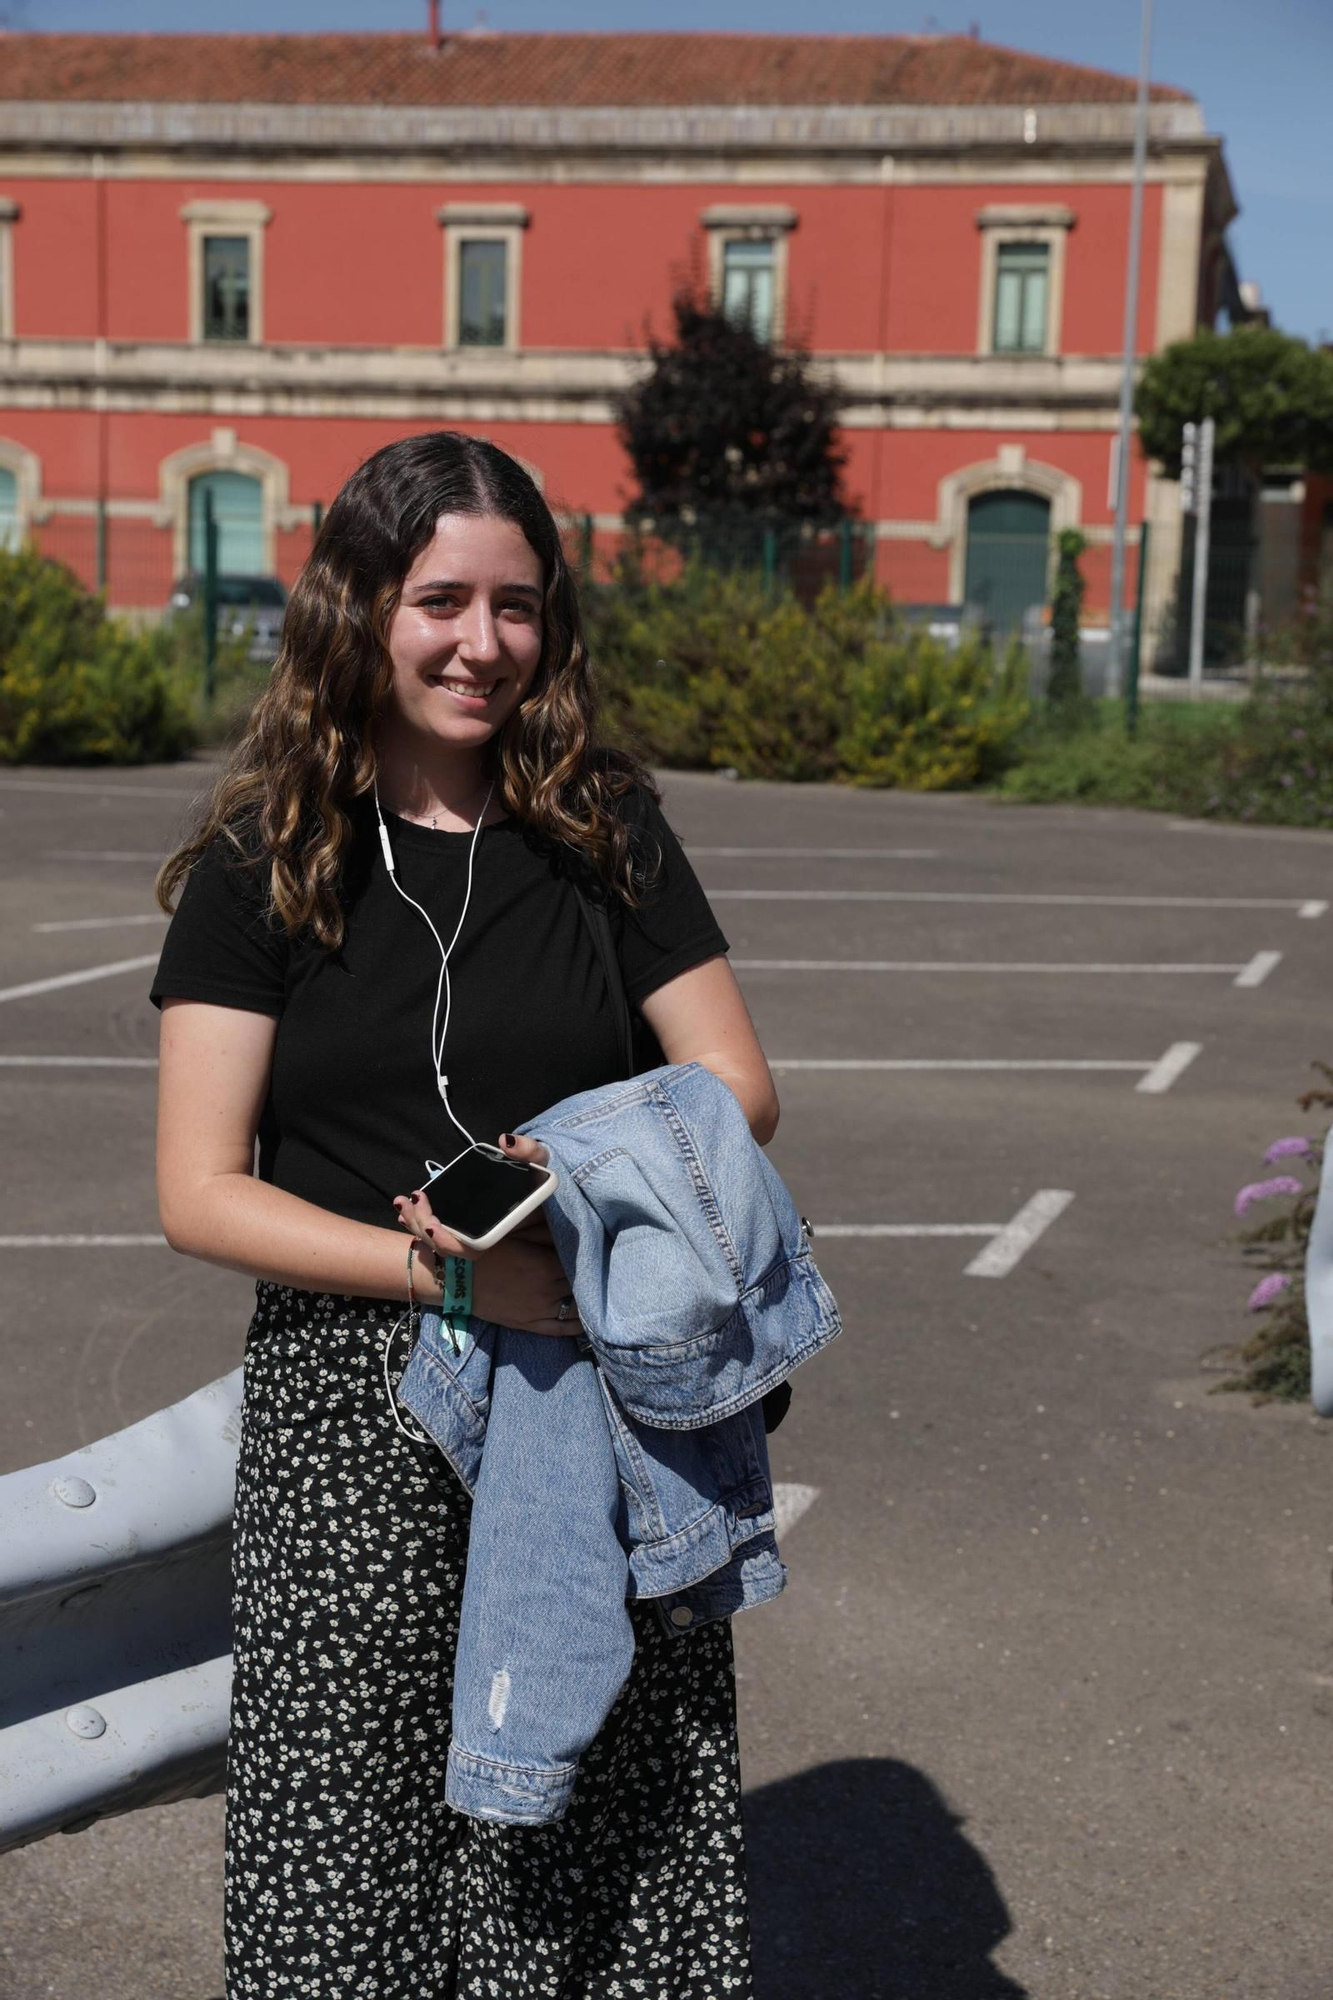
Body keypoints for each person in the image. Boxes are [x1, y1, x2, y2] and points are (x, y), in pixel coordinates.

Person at [151, 429, 780, 1999]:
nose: (481, 644)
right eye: (440, 600)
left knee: (590, 1826)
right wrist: (443, 1282)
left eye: (516, 606)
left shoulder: (602, 829)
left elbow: (734, 1087)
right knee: (347, 1833)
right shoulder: (267, 860)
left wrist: (577, 1160)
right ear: (358, 608)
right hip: (356, 1422)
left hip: (596, 1389)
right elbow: (197, 1191)